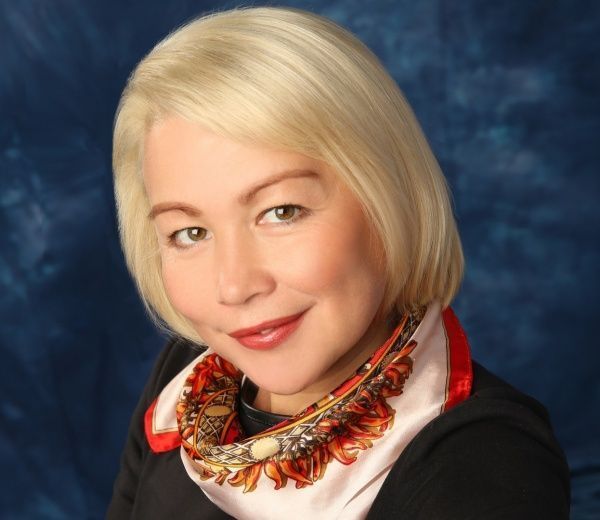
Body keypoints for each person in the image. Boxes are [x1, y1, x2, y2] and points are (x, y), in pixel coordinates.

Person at [107, 6, 569, 519]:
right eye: (190, 233)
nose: (234, 286)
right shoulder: (184, 377)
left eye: (281, 212)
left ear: (387, 200)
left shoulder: (484, 465)